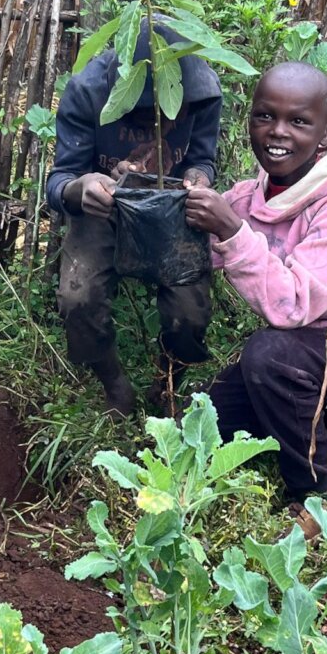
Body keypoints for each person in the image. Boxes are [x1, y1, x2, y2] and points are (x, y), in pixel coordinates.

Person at [185, 61, 327, 524]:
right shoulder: (259, 193)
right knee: (203, 424)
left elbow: (292, 306)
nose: (277, 132)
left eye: (298, 121)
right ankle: (313, 438)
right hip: (311, 362)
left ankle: (321, 493)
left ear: (326, 130)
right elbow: (197, 248)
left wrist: (230, 231)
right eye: (264, 116)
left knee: (268, 356)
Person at [46, 23, 222, 416]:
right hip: (107, 209)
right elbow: (59, 180)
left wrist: (198, 178)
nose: (153, 122)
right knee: (78, 299)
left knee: (190, 314)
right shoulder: (87, 91)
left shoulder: (202, 90)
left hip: (173, 207)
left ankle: (168, 379)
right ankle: (113, 381)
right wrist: (83, 187)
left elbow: (204, 158)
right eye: (141, 114)